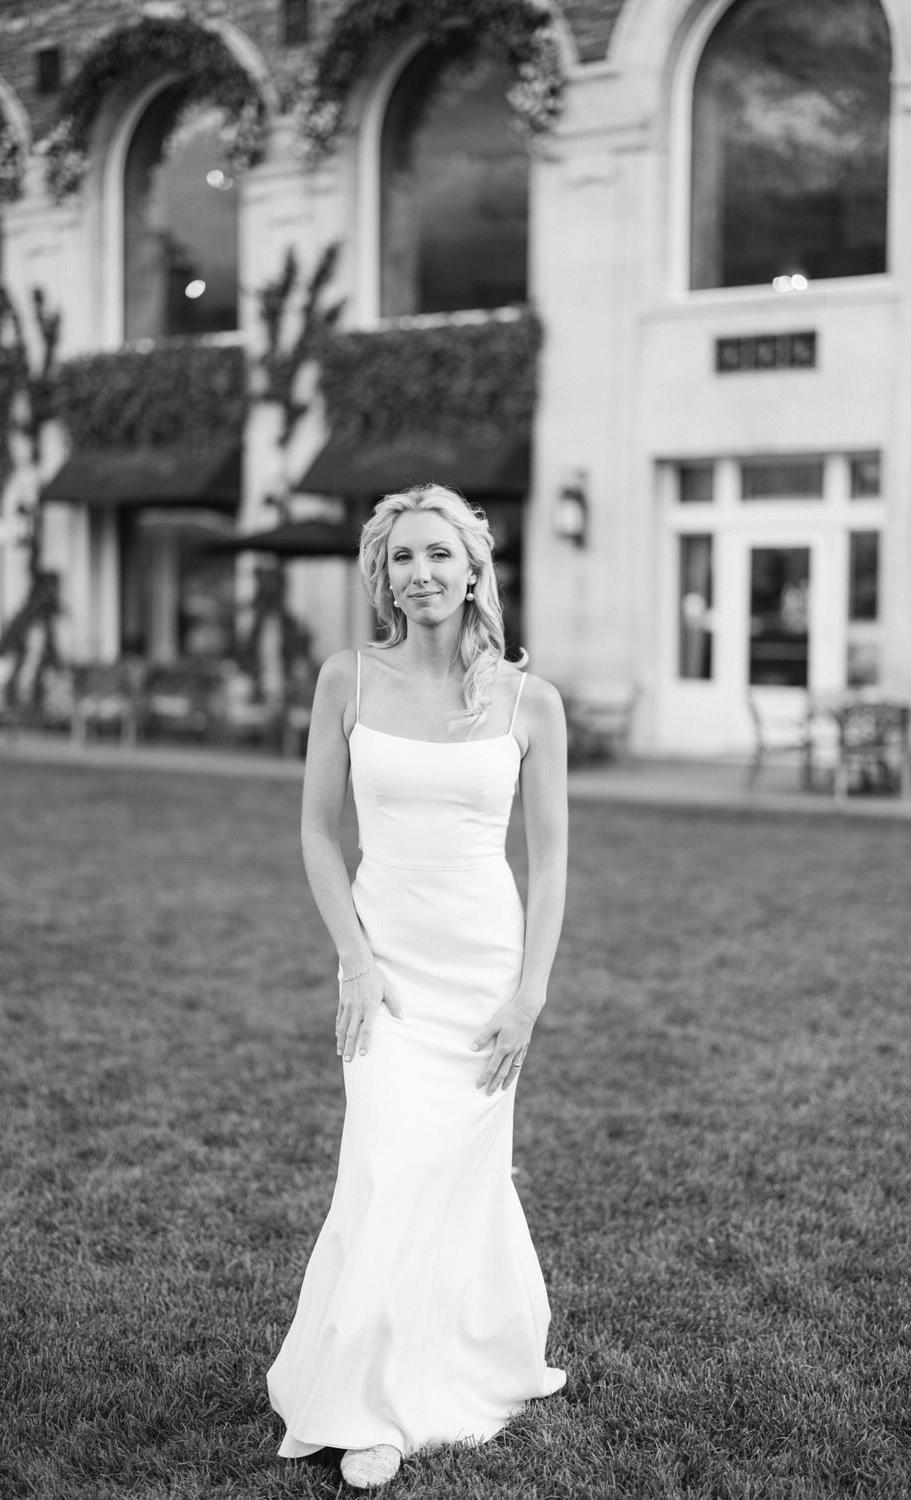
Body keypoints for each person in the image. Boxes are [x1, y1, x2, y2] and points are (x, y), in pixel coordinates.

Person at [266, 484, 568, 1489]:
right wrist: (351, 957)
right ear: (381, 575)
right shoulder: (346, 679)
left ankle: (475, 1354)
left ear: (474, 566)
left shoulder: (530, 702)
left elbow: (551, 862)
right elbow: (316, 829)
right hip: (386, 970)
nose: (421, 573)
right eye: (402, 559)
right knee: (389, 1162)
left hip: (483, 971)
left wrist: (528, 995)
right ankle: (367, 1403)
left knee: (460, 1175)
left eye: (439, 554)